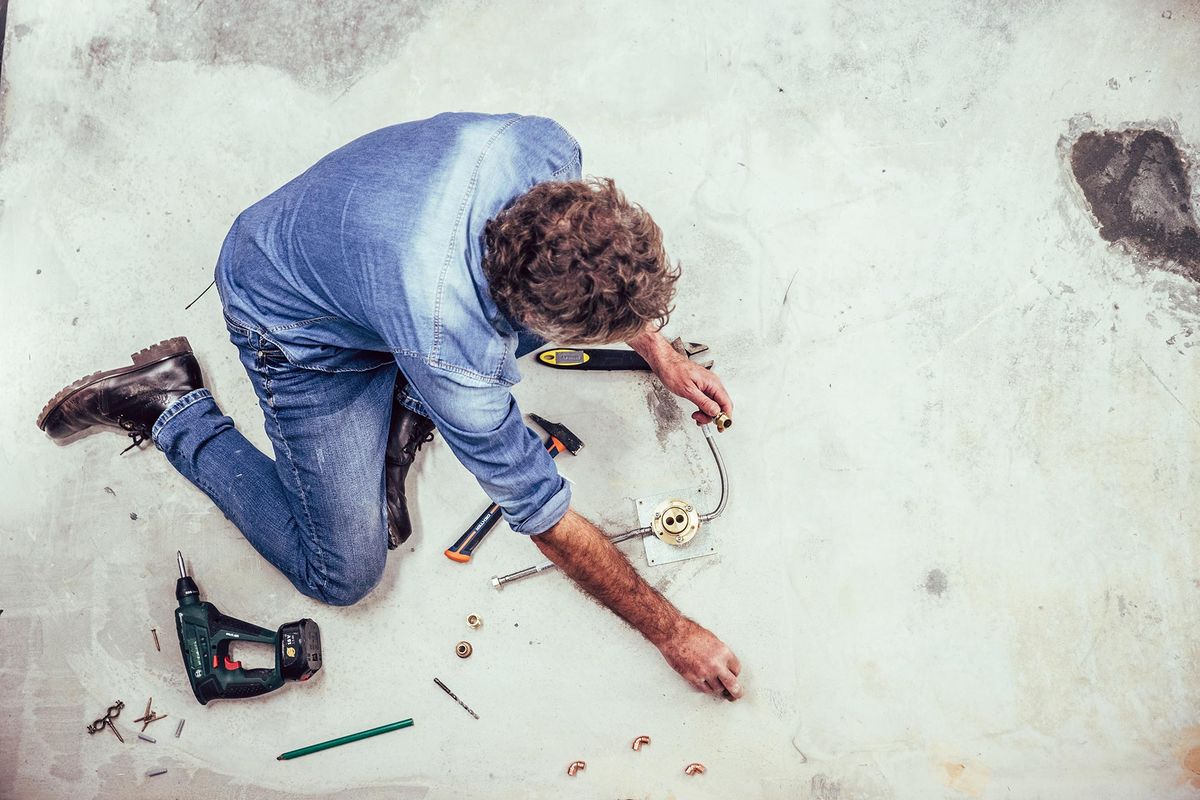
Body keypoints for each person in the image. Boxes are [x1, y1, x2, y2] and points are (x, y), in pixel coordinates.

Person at [36, 112, 744, 700]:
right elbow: (546, 519)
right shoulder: (449, 345)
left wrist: (661, 350)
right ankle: (171, 407)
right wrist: (675, 633)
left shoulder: (543, 150)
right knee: (343, 574)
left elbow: (596, 265)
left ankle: (392, 408)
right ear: (516, 302)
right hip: (289, 320)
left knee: (466, 367)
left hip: (362, 260)